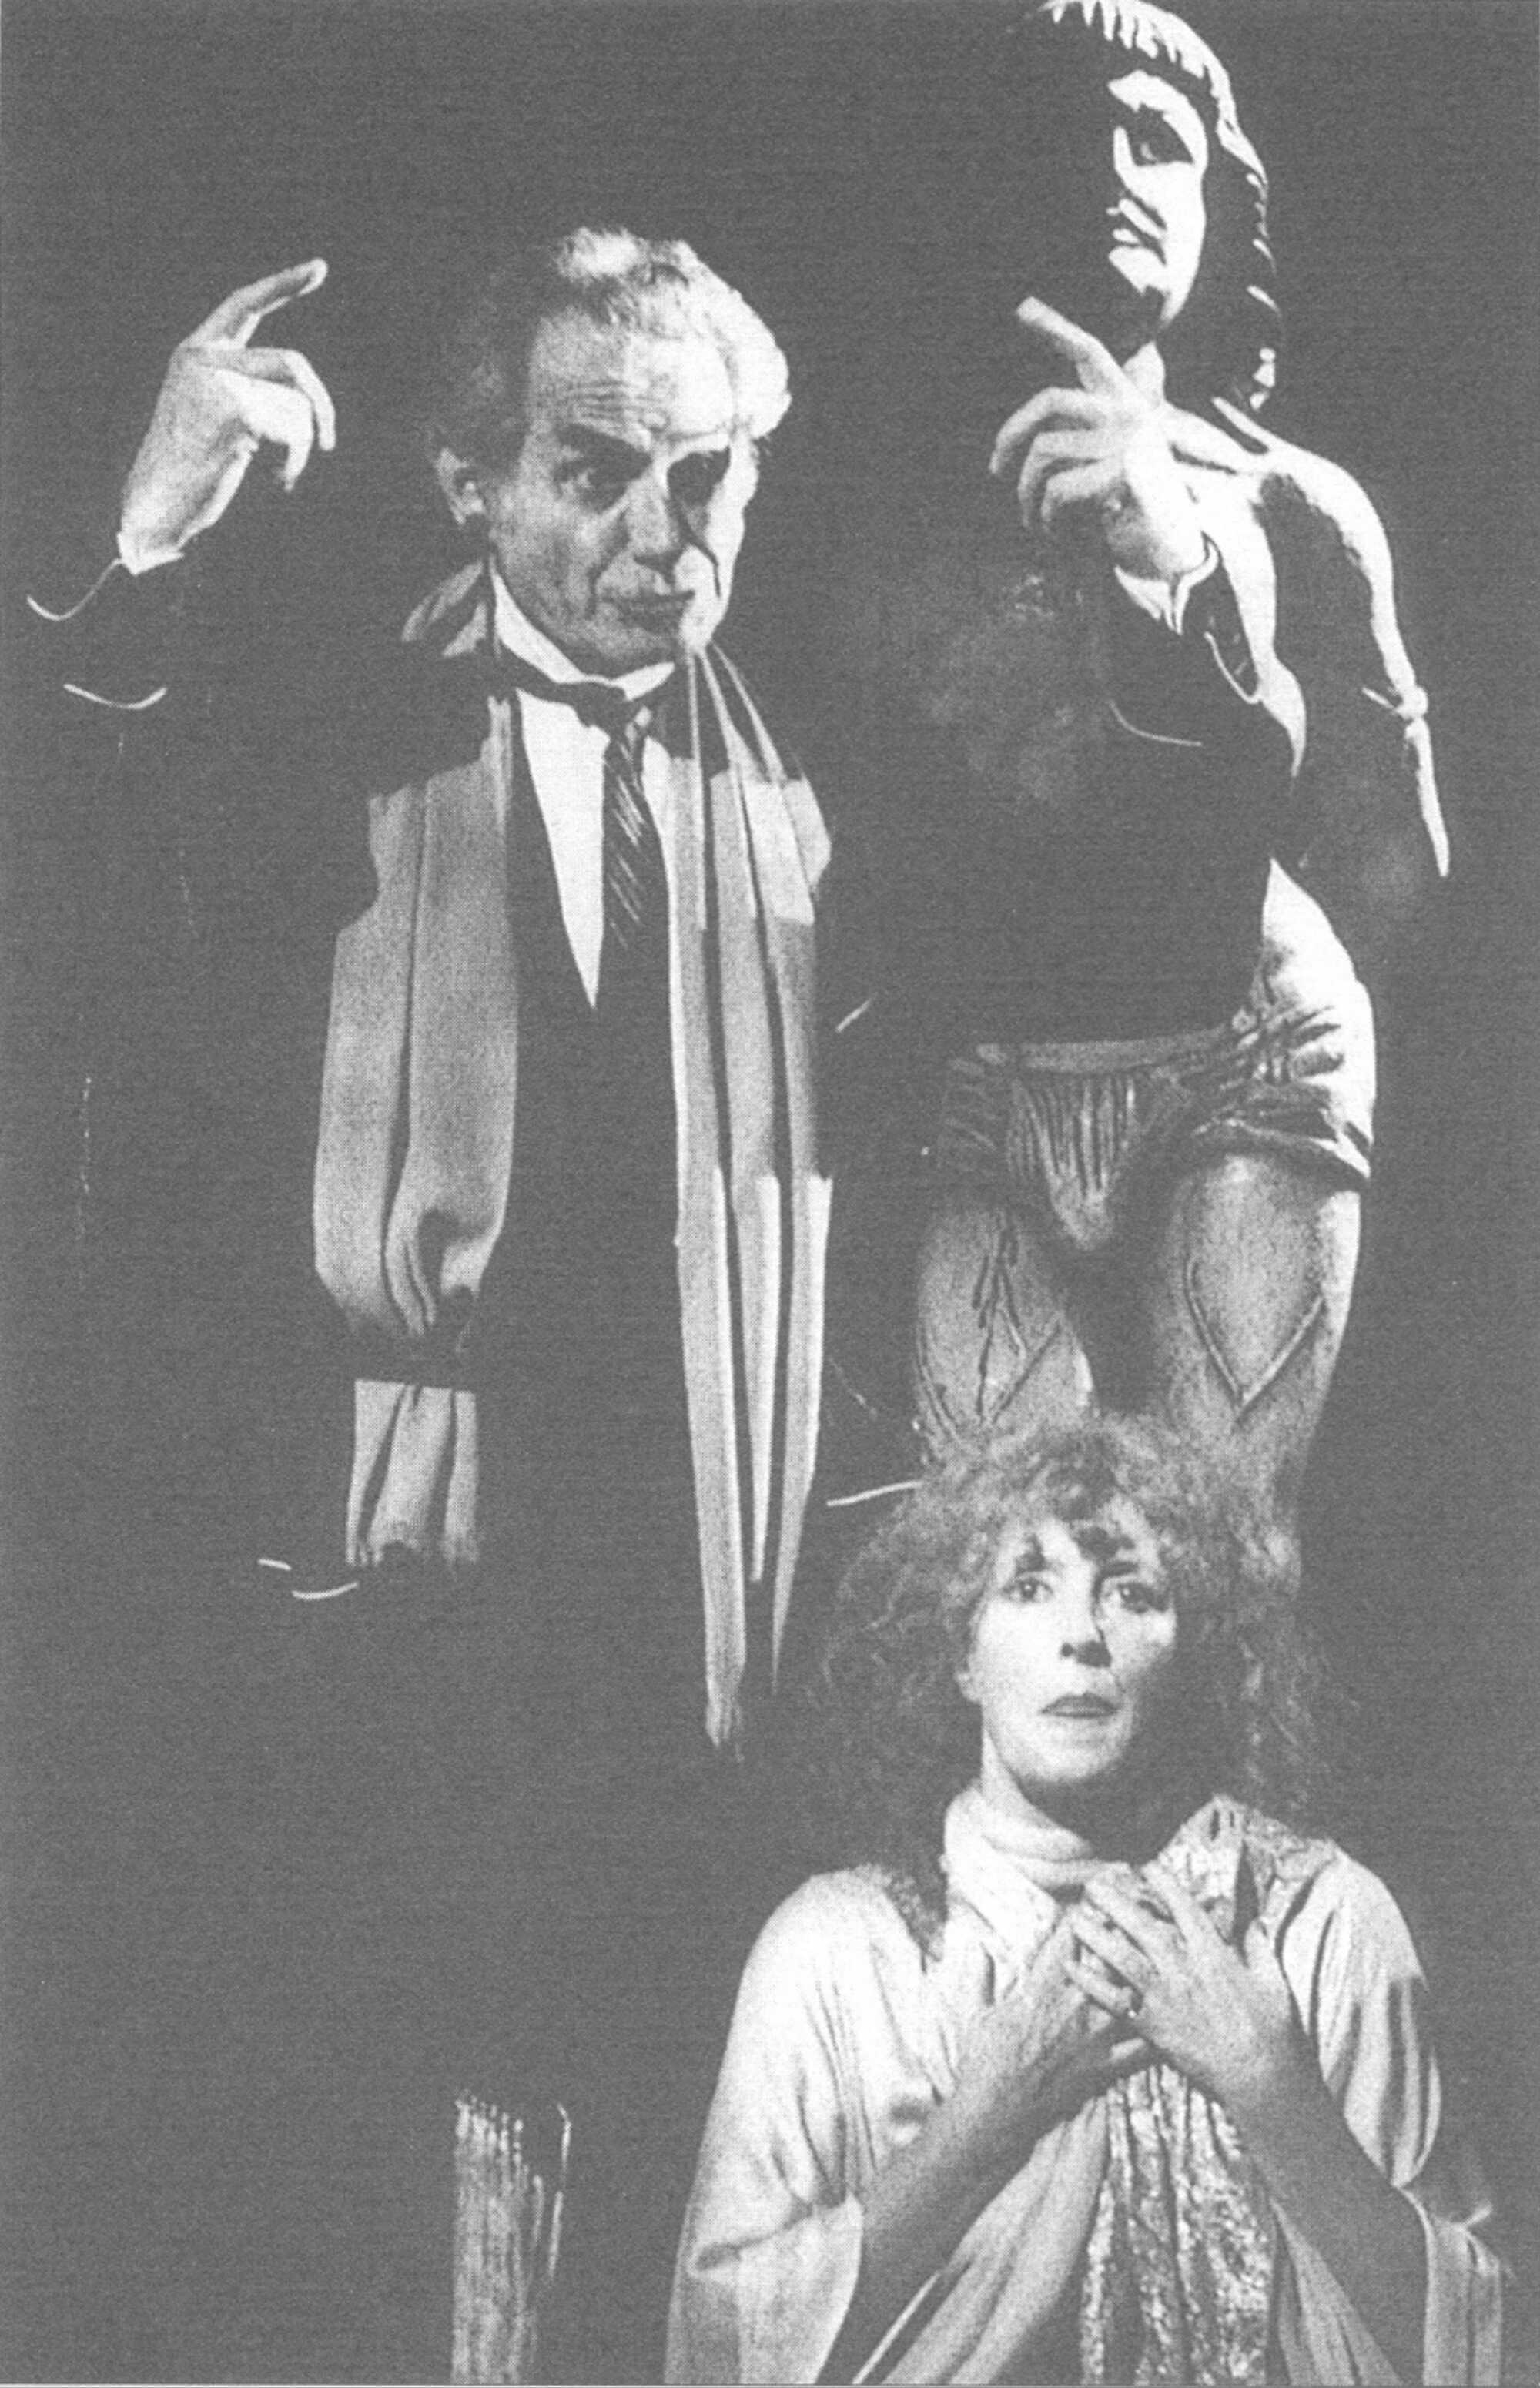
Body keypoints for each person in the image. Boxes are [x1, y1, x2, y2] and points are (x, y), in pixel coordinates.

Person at [32, 228, 829, 2379]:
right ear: (469, 485)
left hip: (699, 1588)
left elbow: (1125, 927)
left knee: (653, 2143)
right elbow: (70, 873)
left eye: (709, 477)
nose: (664, 535)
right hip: (383, 1579)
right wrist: (144, 533)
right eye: (597, 472)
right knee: (372, 2181)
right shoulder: (324, 723)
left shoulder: (810, 782)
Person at [818, 0, 1448, 1540]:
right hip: (987, 1073)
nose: (1114, 167)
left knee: (1222, 1541)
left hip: (1248, 1053)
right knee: (1003, 1556)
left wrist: (1175, 565)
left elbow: (1393, 863)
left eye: (1157, 140)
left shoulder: (1295, 506)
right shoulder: (888, 506)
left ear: (1221, 204)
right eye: (1068, 132)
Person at [668, 1418, 1505, 2384]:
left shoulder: (1318, 1921)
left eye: (1131, 1592)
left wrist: (1268, 2085)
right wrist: (982, 2120)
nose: (1080, 1634)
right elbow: (720, 2349)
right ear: (962, 1655)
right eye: (1028, 1586)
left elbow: (1483, 2348)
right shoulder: (839, 1948)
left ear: (1197, 1650)